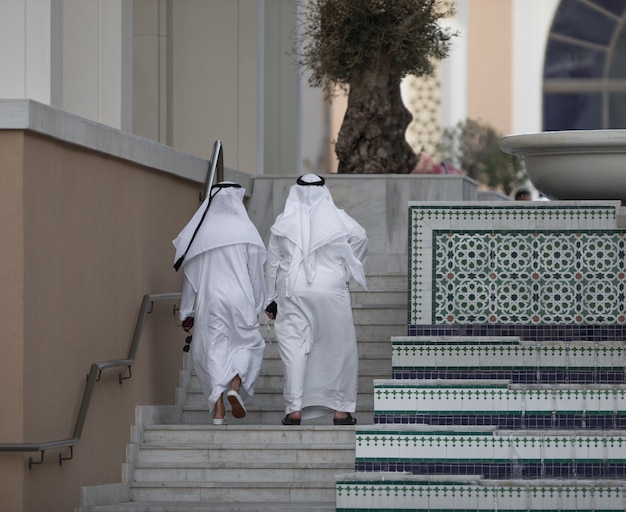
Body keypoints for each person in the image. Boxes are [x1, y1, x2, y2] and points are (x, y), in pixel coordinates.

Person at [265, 174, 368, 426]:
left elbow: (272, 264)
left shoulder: (283, 222)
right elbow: (361, 238)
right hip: (331, 289)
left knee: (294, 349)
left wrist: (271, 298)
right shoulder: (338, 217)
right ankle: (341, 411)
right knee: (339, 347)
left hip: (293, 291)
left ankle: (294, 409)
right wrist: (345, 271)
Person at [172, 182, 267, 425]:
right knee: (247, 345)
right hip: (240, 298)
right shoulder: (246, 229)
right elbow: (256, 273)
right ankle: (235, 385)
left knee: (212, 351)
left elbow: (190, 278)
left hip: (210, 300)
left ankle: (218, 410)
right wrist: (260, 304)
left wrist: (186, 312)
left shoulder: (199, 233)